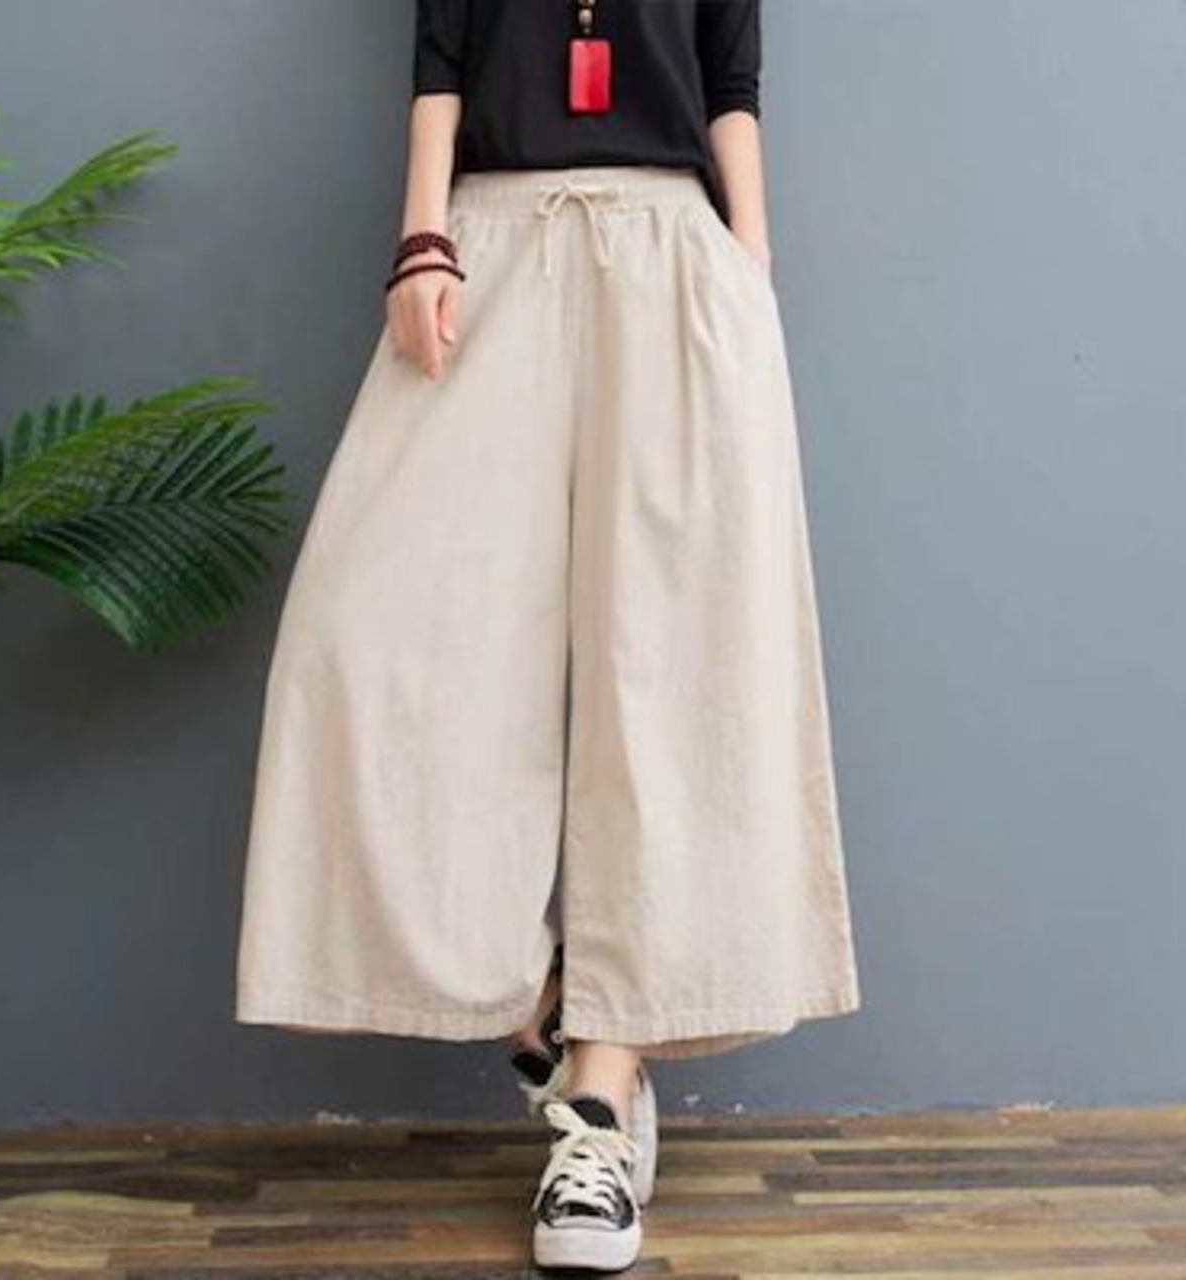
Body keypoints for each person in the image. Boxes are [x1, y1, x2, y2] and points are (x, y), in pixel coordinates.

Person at [234, 1, 862, 1270]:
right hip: (488, 245)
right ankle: (543, 1003)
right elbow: (440, 62)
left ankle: (600, 1098)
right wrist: (421, 240)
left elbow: (730, 84)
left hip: (675, 256)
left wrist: (749, 274)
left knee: (672, 674)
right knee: (368, 636)